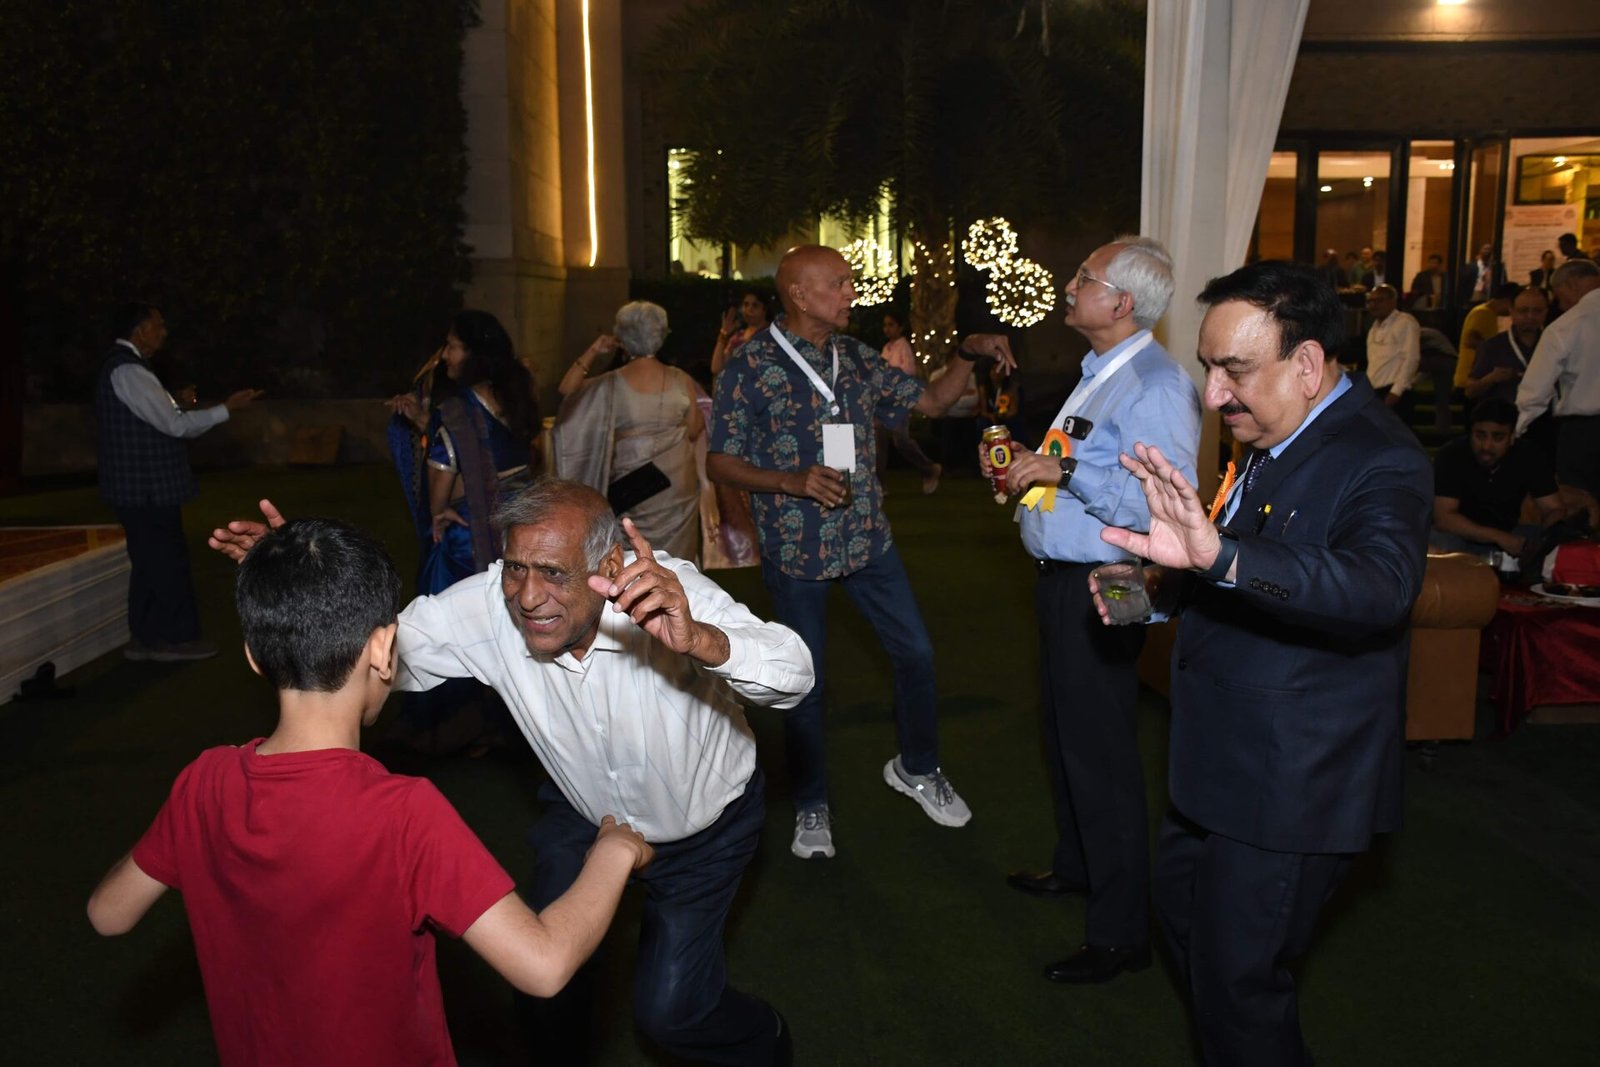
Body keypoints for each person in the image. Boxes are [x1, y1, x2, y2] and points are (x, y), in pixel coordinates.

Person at [209, 481, 813, 1065]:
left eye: (553, 573)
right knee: (543, 990)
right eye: (516, 568)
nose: (526, 596)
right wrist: (306, 590)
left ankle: (765, 1042)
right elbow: (371, 655)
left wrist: (701, 638)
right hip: (584, 812)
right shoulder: (486, 606)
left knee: (672, 1014)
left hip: (705, 828)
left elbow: (795, 673)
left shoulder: (667, 590)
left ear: (609, 564)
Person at [88, 517, 653, 1066]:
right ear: (384, 650)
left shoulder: (205, 782)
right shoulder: (403, 814)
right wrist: (613, 851)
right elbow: (544, 965)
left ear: (255, 657)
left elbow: (108, 914)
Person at [1097, 260, 1432, 1066]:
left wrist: (1220, 557)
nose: (1214, 393)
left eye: (1234, 370)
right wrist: (1157, 588)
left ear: (1307, 364)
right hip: (1218, 764)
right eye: (1208, 368)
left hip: (1293, 781)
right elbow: (1234, 562)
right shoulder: (1273, 433)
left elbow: (1380, 586)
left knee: (1238, 983)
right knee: (1186, 925)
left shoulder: (1381, 455)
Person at [706, 244, 1015, 860]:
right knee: (805, 682)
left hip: (867, 538)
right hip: (797, 549)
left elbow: (930, 402)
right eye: (840, 283)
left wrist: (965, 354)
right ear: (799, 294)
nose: (852, 293)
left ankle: (918, 767)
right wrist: (791, 481)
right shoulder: (751, 364)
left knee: (917, 654)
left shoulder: (854, 356)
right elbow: (719, 461)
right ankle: (811, 803)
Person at [987, 236, 1200, 985]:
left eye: (1085, 277)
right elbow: (1078, 467)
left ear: (1122, 303)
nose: (1069, 284)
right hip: (1064, 577)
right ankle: (1079, 866)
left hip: (1110, 579)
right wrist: (1032, 465)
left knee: (1101, 750)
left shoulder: (1156, 385)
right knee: (1065, 732)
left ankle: (1121, 932)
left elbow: (1160, 507)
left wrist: (1064, 469)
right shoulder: (1100, 372)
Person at [95, 302, 262, 662]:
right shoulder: (129, 370)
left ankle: (146, 638)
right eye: (158, 325)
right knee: (165, 562)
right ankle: (175, 640)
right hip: (146, 489)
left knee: (148, 563)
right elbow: (174, 425)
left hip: (137, 489)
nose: (164, 332)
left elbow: (157, 414)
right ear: (140, 330)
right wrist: (227, 409)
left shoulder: (127, 367)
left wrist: (177, 402)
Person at [388, 310, 541, 594]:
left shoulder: (457, 411)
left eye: (452, 346)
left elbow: (442, 479)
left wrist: (438, 510)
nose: (444, 355)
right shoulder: (516, 395)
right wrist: (423, 419)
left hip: (471, 539)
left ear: (474, 354)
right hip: (521, 525)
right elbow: (489, 446)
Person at [554, 301, 704, 561]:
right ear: (661, 336)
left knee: (632, 552)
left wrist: (594, 350)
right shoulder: (681, 379)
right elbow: (693, 429)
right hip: (677, 485)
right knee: (678, 560)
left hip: (631, 484)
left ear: (621, 339)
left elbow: (567, 391)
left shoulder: (610, 383)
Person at [1432, 399, 1565, 557]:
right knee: (1441, 542)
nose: (1486, 446)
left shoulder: (1529, 455)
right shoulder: (1451, 455)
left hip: (1509, 533)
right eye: (1480, 436)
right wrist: (1498, 537)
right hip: (1459, 537)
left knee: (1547, 539)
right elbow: (1444, 518)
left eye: (1498, 438)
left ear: (1512, 437)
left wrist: (1550, 536)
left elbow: (1553, 508)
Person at [1516, 259, 1600, 503]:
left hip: (1584, 434)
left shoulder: (1566, 325)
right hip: (1583, 430)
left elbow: (1535, 390)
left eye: (1559, 296)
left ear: (1571, 284)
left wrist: (1515, 431)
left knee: (1581, 508)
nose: (1560, 304)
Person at [880, 309, 944, 493]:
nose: (887, 329)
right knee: (878, 439)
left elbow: (907, 372)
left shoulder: (903, 347)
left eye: (891, 325)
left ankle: (928, 468)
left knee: (900, 440)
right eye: (885, 325)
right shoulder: (887, 348)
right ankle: (879, 483)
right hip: (884, 402)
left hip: (900, 400)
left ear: (900, 328)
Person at [1467, 286, 1548, 406]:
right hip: (1504, 413)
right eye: (1523, 310)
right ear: (1512, 311)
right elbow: (1470, 391)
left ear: (1546, 312)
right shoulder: (1493, 346)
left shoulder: (1554, 344)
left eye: (1537, 311)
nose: (1530, 316)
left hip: (1544, 413)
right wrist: (1490, 379)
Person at [1363, 284, 1420, 413]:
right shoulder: (1374, 327)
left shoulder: (1405, 322)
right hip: (1375, 391)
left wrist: (1396, 391)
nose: (1373, 305)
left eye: (1379, 300)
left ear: (1392, 302)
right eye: (1370, 301)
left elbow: (1411, 358)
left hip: (1395, 392)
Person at [1455, 282, 1517, 392]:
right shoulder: (1482, 313)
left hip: (1475, 377)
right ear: (1506, 301)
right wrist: (1495, 349)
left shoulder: (1489, 314)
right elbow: (1470, 340)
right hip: (1470, 378)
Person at [712, 289, 775, 376]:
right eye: (746, 304)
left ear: (765, 309)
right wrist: (723, 333)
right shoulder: (737, 338)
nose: (749, 309)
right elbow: (716, 368)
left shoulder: (773, 335)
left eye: (755, 305)